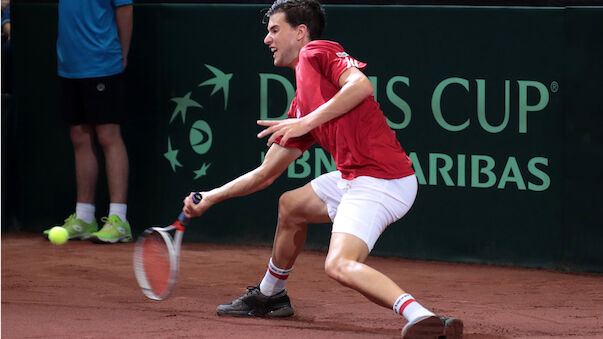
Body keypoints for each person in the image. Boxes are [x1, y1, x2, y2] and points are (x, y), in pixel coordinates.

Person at [183, 0, 463, 337]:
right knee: (291, 205)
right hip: (352, 177)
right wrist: (210, 197)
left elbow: (360, 86)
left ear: (300, 33)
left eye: (274, 30)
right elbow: (266, 173)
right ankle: (270, 296)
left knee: (339, 264)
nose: (266, 40)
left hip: (383, 180)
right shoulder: (301, 103)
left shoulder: (317, 51)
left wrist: (305, 123)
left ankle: (423, 317)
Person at [43, 0, 133, 244]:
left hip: (103, 59)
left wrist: (122, 53)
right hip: (70, 64)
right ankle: (84, 217)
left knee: (107, 135)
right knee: (79, 137)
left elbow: (125, 9)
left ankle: (118, 219)